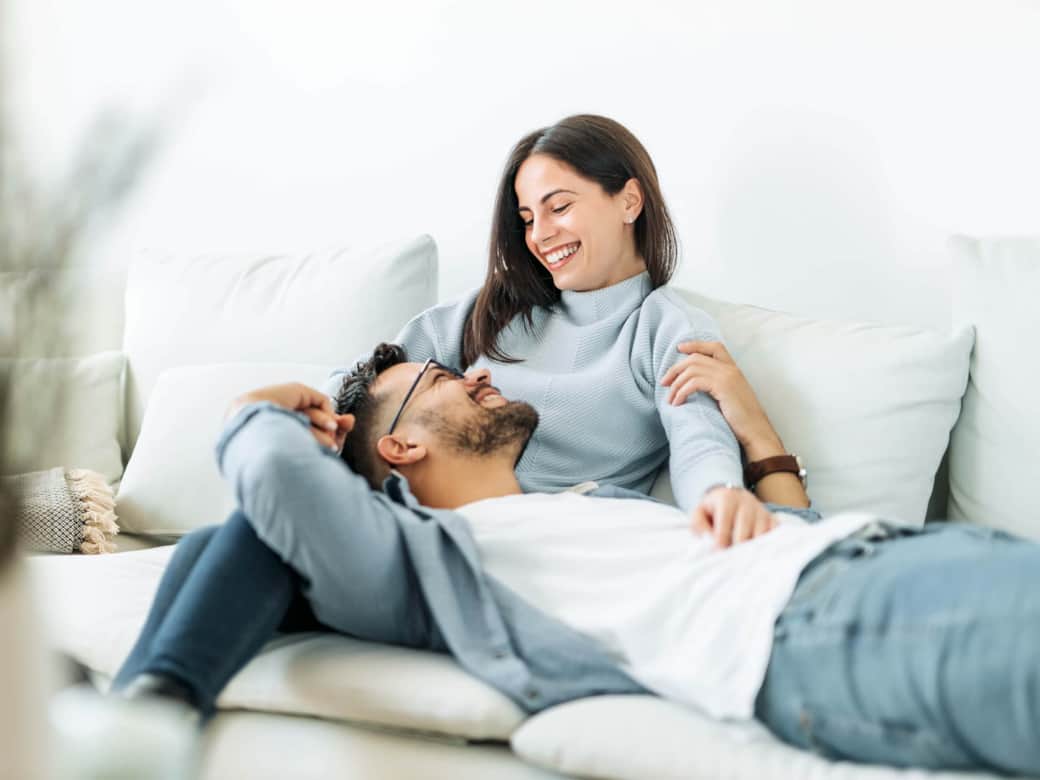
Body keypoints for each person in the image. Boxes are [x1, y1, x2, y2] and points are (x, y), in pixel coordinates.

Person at [114, 345, 1040, 776]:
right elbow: (269, 508)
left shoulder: (592, 506)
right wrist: (256, 413)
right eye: (444, 379)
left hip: (889, 559)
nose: (480, 376)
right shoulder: (428, 560)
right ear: (397, 449)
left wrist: (755, 453)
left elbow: (792, 529)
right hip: (821, 626)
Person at [326, 113, 813, 537]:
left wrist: (717, 495)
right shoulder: (494, 310)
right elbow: (360, 388)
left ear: (629, 201)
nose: (539, 235)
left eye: (558, 207)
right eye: (527, 218)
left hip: (566, 534)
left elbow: (699, 442)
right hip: (448, 522)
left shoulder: (666, 330)